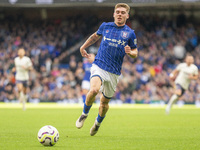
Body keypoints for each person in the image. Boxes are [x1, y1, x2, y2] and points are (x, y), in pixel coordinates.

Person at [76, 3, 138, 136]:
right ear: (114, 14)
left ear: (127, 15)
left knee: (104, 104)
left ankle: (97, 123)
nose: (120, 14)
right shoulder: (105, 26)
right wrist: (83, 47)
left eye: (122, 12)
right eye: (118, 12)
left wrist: (130, 52)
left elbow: (135, 52)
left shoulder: (130, 33)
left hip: (114, 73)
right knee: (93, 90)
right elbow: (94, 37)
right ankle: (84, 114)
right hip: (99, 65)